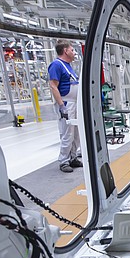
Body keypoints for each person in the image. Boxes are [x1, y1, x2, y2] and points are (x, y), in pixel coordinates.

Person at [48, 41, 82, 172]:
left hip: (74, 103)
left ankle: (73, 157)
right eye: (72, 50)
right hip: (66, 103)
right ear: (65, 51)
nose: (74, 53)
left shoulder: (68, 66)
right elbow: (53, 85)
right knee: (67, 133)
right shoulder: (56, 65)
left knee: (77, 133)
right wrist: (62, 106)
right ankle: (63, 161)